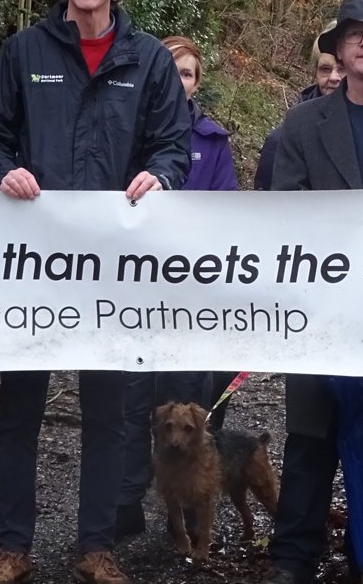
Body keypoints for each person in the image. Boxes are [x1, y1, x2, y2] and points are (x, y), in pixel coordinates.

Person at [0, 0, 190, 584]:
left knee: (107, 412)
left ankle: (95, 545)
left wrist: (164, 176)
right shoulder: (23, 51)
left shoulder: (148, 59)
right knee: (20, 410)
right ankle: (13, 544)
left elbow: (172, 144)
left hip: (112, 268)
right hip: (34, 265)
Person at [257, 0, 363, 584]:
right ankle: (294, 553)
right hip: (321, 306)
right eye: (354, 34)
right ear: (340, 50)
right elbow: (286, 210)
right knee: (310, 432)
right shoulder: (302, 123)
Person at [115, 35, 234, 538]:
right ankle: (123, 506)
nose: (178, 81)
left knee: (188, 399)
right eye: (169, 70)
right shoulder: (125, 131)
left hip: (192, 298)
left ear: (196, 82)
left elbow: (227, 213)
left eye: (186, 73)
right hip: (134, 294)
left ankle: (185, 513)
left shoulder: (212, 141)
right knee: (132, 403)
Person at [253, 23, 343, 191]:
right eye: (325, 69)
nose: (334, 77)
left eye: (342, 69)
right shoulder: (283, 141)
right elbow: (265, 207)